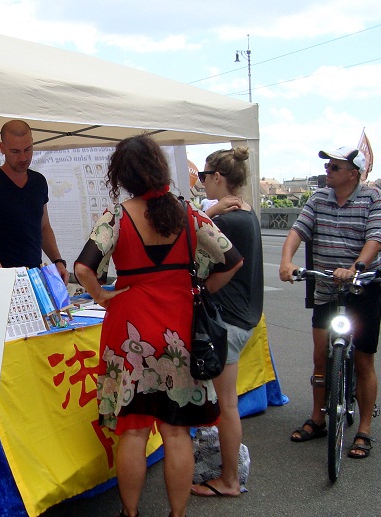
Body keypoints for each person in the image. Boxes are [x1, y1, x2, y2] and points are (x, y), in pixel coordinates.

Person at [74, 135, 242, 517]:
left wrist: (102, 296)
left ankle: (130, 513)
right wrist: (201, 290)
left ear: (123, 176)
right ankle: (177, 514)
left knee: (132, 431)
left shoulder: (117, 216)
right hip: (178, 331)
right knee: (176, 431)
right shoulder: (189, 214)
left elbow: (83, 267)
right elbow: (232, 260)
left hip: (129, 330)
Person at [279, 145, 380, 459]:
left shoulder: (372, 198)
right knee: (320, 357)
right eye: (327, 166)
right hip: (326, 285)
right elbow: (298, 231)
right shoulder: (318, 198)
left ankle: (364, 430)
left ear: (353, 173)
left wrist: (354, 269)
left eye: (334, 167)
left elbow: (375, 239)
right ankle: (318, 418)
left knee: (363, 361)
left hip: (363, 287)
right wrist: (286, 262)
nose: (328, 171)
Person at [190, 147, 264, 498]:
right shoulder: (246, 213)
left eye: (205, 177)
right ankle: (227, 473)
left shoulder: (226, 221)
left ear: (218, 177)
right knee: (227, 401)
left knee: (227, 405)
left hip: (227, 321)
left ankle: (230, 479)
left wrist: (208, 214)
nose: (203, 182)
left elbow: (190, 243)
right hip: (243, 316)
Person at [0, 120, 69, 283]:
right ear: (2, 148)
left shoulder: (39, 182)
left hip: (34, 276)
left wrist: (58, 261)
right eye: (15, 151)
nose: (23, 157)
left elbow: (44, 226)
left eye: (28, 149)